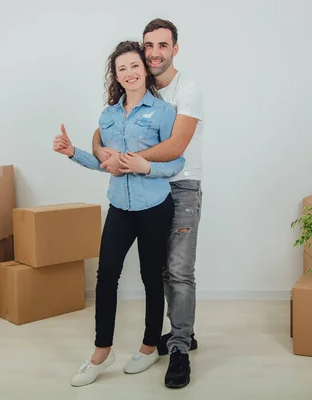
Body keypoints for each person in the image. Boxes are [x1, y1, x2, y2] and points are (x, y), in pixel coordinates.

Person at [53, 40, 185, 387]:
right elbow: (105, 163)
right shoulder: (108, 115)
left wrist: (145, 167)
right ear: (116, 75)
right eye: (121, 68)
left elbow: (176, 161)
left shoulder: (163, 112)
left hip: (155, 207)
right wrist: (73, 152)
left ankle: (148, 346)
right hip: (120, 208)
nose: (129, 73)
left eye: (134, 66)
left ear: (145, 70)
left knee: (150, 277)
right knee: (106, 274)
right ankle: (102, 351)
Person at [92, 19, 203, 389]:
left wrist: (130, 160)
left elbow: (176, 148)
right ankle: (169, 337)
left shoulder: (186, 90)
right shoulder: (139, 80)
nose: (154, 53)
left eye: (162, 45)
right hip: (139, 193)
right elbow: (105, 126)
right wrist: (98, 151)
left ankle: (180, 347)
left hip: (181, 185)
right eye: (149, 46)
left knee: (178, 270)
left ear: (175, 48)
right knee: (153, 272)